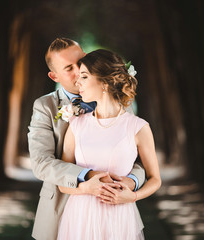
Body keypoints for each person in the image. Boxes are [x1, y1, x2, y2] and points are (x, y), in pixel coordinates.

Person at [27, 38, 146, 240]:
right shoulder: (45, 106)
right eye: (68, 68)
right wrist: (89, 177)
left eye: (81, 60)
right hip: (63, 206)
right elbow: (41, 163)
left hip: (114, 207)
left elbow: (138, 157)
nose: (79, 70)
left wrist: (131, 182)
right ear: (53, 75)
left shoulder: (119, 103)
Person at [57, 49, 162, 239]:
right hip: (79, 217)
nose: (77, 82)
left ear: (104, 82)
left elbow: (155, 179)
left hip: (119, 217)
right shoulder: (76, 125)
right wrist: (85, 188)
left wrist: (133, 196)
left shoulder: (138, 127)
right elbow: (62, 183)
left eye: (84, 76)